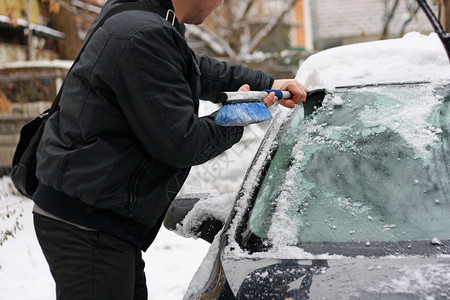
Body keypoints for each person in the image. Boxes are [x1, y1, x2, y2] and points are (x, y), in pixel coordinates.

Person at [32, 0, 308, 299]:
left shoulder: (140, 16)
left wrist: (264, 83)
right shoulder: (144, 33)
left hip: (91, 213)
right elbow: (182, 143)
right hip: (89, 224)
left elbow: (193, 69)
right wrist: (240, 113)